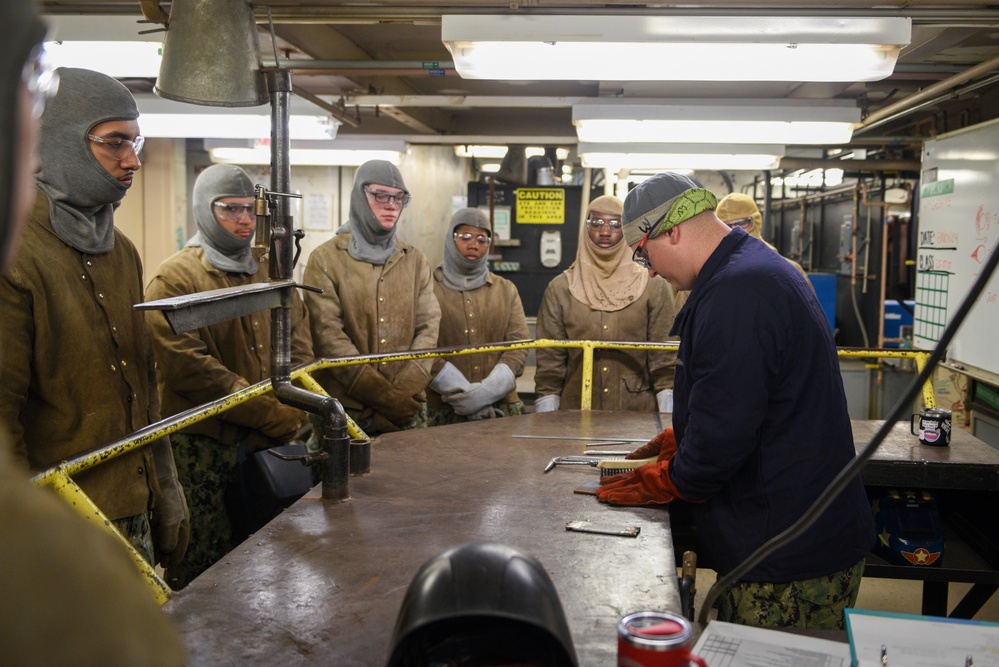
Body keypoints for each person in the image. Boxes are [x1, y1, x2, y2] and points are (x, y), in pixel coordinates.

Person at [597, 172, 874, 630]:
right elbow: (746, 397)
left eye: (643, 252)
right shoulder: (752, 269)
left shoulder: (737, 293)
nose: (647, 269)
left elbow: (726, 429)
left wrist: (676, 475)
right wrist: (683, 435)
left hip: (786, 555)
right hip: (791, 532)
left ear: (673, 229)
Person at [0, 5, 185, 663]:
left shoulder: (125, 252)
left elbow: (146, 386)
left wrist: (165, 483)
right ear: (56, 141)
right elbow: (5, 428)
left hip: (130, 502)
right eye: (114, 141)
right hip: (61, 522)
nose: (131, 161)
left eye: (137, 143)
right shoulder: (18, 258)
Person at [144, 163, 313, 589]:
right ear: (204, 209)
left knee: (275, 564)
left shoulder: (272, 273)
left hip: (270, 446)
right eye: (229, 209)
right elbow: (191, 371)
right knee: (207, 570)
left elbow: (301, 351)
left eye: (249, 211)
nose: (242, 220)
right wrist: (277, 413)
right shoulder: (174, 279)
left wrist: (291, 405)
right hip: (205, 452)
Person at [303, 160, 441, 436]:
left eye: (399, 198)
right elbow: (329, 338)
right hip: (346, 413)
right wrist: (385, 398)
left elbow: (429, 326)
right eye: (380, 195)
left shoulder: (413, 259)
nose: (391, 205)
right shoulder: (326, 260)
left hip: (408, 408)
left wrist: (402, 394)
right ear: (359, 195)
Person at [534, 195, 677, 413]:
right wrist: (545, 422)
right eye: (597, 223)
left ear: (627, 229)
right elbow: (549, 364)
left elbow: (664, 361)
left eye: (615, 224)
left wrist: (668, 422)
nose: (605, 232)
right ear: (586, 227)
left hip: (637, 415)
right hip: (574, 414)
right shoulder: (561, 288)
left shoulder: (652, 285)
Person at [427, 208, 529, 423]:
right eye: (465, 237)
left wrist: (487, 392)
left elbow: (519, 346)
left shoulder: (505, 290)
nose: (473, 245)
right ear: (450, 238)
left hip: (501, 407)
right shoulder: (427, 288)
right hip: (443, 409)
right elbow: (421, 346)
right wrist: (464, 395)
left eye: (481, 239)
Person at [716, 192, 810, 283]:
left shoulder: (790, 271)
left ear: (756, 221)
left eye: (741, 223)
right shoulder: (713, 273)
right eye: (726, 226)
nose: (735, 232)